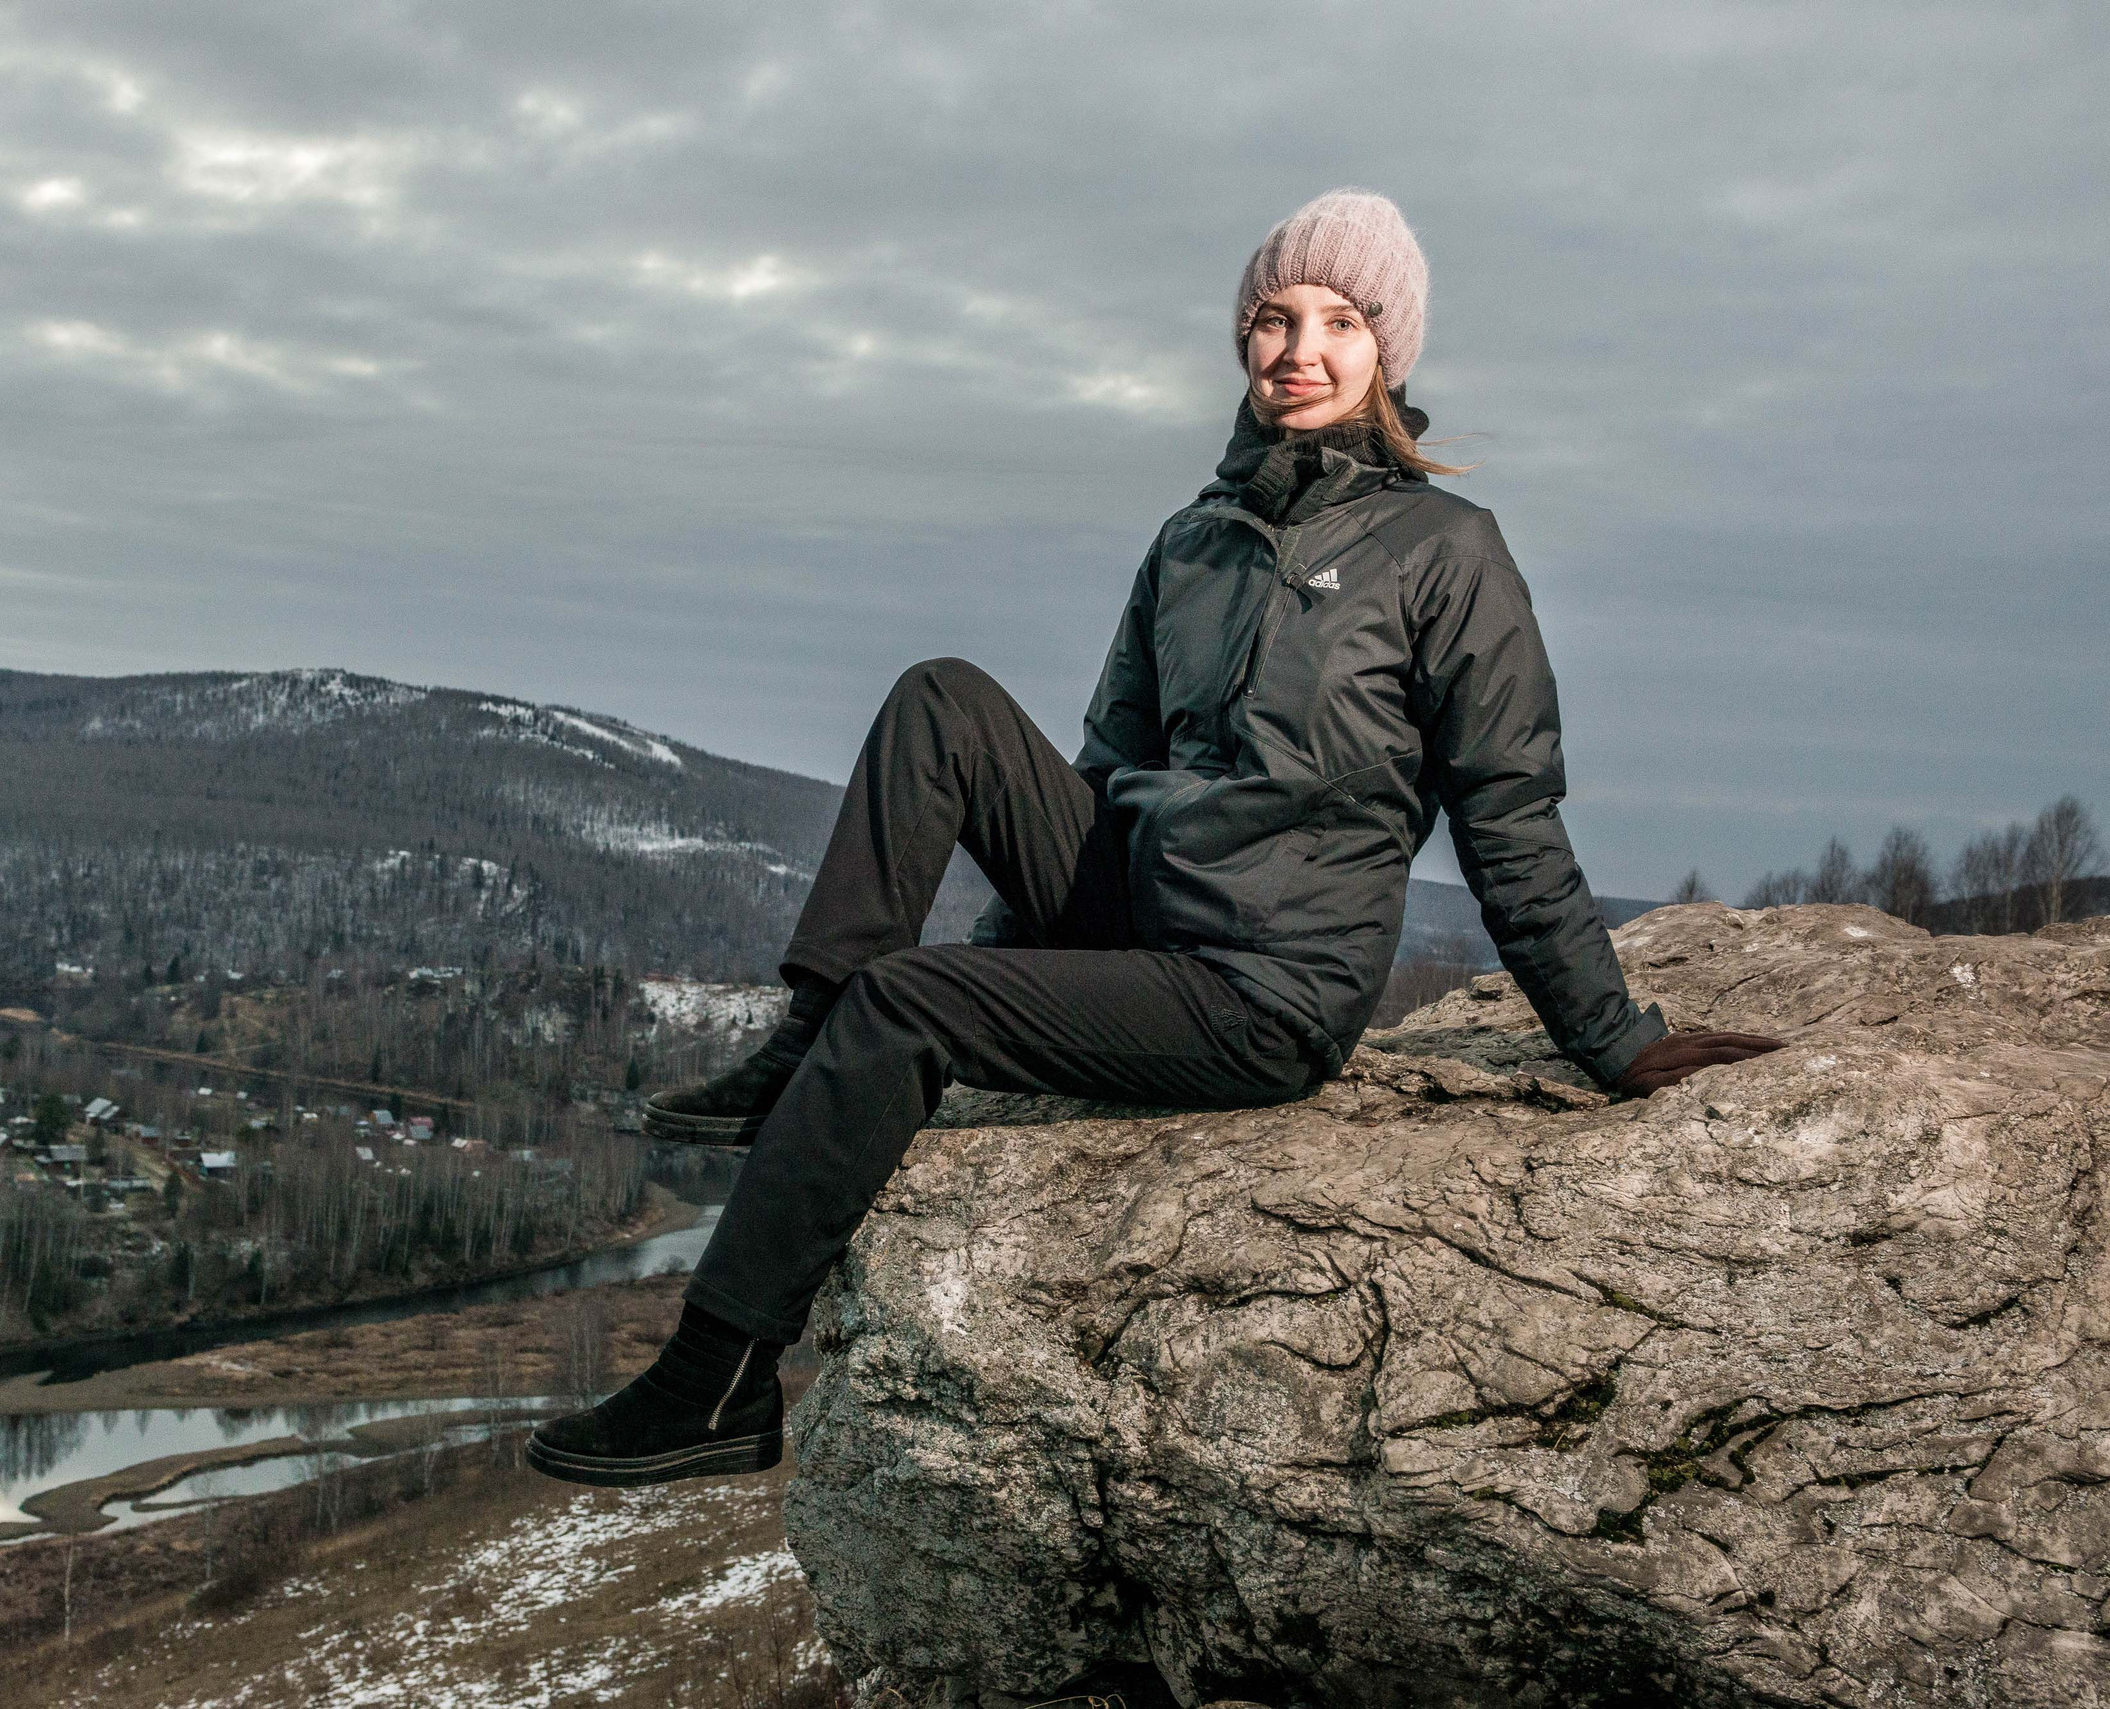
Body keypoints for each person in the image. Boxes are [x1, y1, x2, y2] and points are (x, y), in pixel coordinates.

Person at [524, 188, 1783, 1490]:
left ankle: (717, 1379)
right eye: (1274, 318)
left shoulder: (1448, 555)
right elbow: (1107, 768)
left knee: (910, 1004)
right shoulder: (1193, 539)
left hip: (1261, 986)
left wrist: (1619, 1041)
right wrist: (1020, 983)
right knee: (940, 700)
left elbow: (1509, 819)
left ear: (1387, 351)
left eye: (1338, 320)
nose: (1300, 346)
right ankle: (805, 1046)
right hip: (1140, 909)